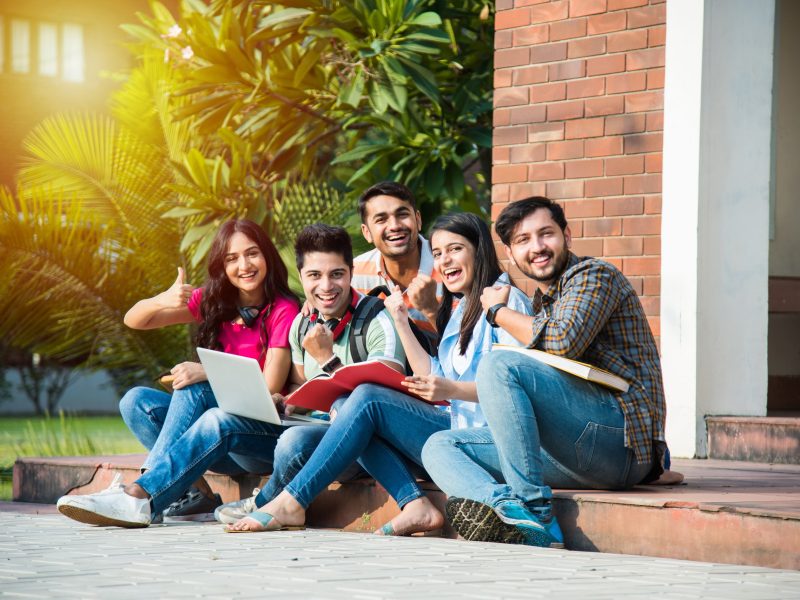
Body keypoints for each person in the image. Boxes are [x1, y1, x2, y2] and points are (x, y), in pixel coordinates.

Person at [226, 212, 534, 537]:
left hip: (483, 437)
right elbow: (434, 375)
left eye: (455, 249)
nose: (444, 261)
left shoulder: (504, 301)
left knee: (362, 399)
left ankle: (290, 501)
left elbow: (511, 388)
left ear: (479, 249)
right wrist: (401, 318)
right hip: (453, 425)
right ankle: (413, 505)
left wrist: (451, 389)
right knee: (335, 417)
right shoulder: (464, 307)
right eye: (439, 254)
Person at [422, 196, 668, 548]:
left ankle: (534, 510)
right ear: (510, 253)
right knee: (439, 446)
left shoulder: (595, 275)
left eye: (545, 234)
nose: (536, 247)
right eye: (523, 240)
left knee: (498, 362)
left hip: (619, 443)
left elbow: (562, 341)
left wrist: (497, 312)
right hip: (572, 450)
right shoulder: (544, 301)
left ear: (567, 235)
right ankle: (509, 512)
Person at [56, 220, 332, 528]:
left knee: (194, 388)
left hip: (256, 439)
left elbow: (270, 386)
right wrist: (162, 300)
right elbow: (135, 319)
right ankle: (194, 495)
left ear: (267, 255)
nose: (244, 265)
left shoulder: (283, 307)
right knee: (135, 401)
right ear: (221, 265)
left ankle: (142, 493)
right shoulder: (216, 301)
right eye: (231, 258)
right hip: (211, 442)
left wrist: (205, 372)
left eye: (252, 253)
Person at [214, 180, 442, 523]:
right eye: (314, 276)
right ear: (301, 278)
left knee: (346, 405)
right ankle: (272, 502)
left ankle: (273, 503)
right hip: (332, 432)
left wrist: (325, 356)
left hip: (404, 429)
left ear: (353, 273)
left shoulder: (384, 316)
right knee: (289, 436)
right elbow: (304, 388)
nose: (326, 284)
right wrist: (286, 401)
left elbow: (377, 398)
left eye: (337, 275)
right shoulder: (304, 322)